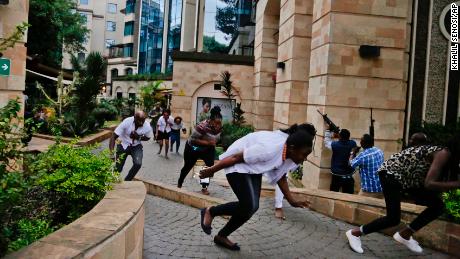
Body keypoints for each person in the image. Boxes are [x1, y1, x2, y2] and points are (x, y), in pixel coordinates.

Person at [197, 123, 315, 251]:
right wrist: (212, 170)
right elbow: (236, 157)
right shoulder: (270, 149)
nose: (305, 159)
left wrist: (292, 201)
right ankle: (210, 211)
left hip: (253, 168)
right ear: (293, 147)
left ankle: (222, 236)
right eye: (304, 154)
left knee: (253, 207)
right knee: (248, 205)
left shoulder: (288, 153)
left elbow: (280, 176)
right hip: (236, 164)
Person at [346, 133, 460, 254]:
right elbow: (429, 183)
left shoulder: (450, 157)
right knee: (393, 218)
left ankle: (405, 234)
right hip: (390, 174)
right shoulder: (443, 153)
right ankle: (354, 233)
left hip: (408, 179)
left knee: (438, 206)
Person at [177, 106, 222, 195]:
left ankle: (204, 187)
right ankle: (179, 184)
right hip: (193, 148)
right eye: (216, 123)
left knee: (209, 167)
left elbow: (216, 137)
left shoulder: (219, 126)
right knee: (188, 167)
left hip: (207, 149)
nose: (218, 125)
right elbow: (193, 139)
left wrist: (212, 143)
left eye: (219, 123)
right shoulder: (202, 126)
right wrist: (208, 143)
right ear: (211, 120)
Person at [109, 111, 153, 181]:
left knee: (138, 164)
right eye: (139, 121)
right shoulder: (127, 122)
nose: (141, 123)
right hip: (123, 144)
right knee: (118, 168)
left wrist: (138, 137)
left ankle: (127, 180)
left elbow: (148, 137)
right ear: (134, 118)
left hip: (136, 146)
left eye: (143, 121)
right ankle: (113, 182)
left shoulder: (147, 126)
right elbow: (114, 136)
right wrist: (111, 153)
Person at [349, 134, 384, 198]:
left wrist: (353, 153)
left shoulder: (363, 155)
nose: (360, 142)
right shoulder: (379, 151)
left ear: (363, 144)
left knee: (356, 206)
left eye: (361, 141)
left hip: (369, 190)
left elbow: (351, 165)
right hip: (380, 187)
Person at [324, 127, 357, 194]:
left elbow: (327, 141)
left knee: (333, 195)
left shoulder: (335, 145)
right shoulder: (353, 143)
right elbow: (349, 140)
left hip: (336, 175)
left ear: (340, 136)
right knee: (349, 196)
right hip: (348, 175)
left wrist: (328, 131)